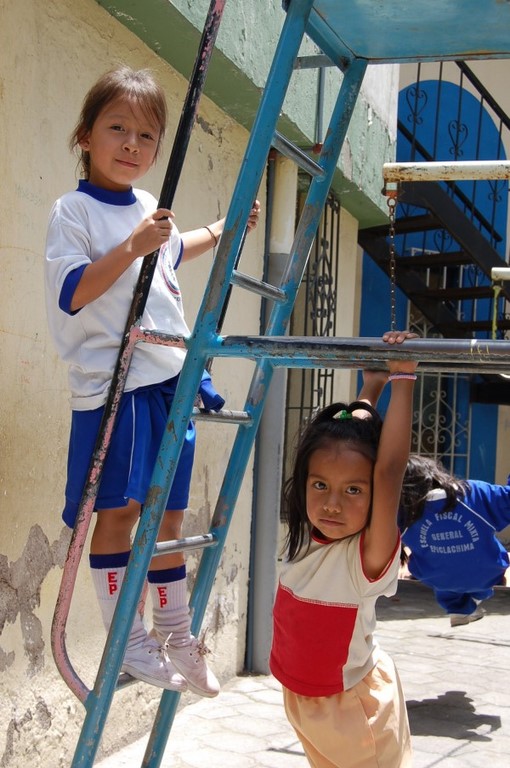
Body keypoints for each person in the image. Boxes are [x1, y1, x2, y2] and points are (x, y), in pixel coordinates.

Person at [44, 66, 260, 697]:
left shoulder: (146, 210)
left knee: (170, 511)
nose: (132, 145)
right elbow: (74, 292)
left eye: (146, 135)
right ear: (85, 136)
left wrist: (218, 232)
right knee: (118, 510)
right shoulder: (73, 210)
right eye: (117, 129)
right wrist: (134, 247)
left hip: (170, 374)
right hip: (119, 383)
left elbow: (170, 249)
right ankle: (127, 638)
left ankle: (173, 629)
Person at [269, 332, 418, 768]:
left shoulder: (366, 556)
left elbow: (387, 470)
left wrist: (404, 378)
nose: (333, 503)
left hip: (353, 710)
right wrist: (371, 388)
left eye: (354, 490)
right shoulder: (306, 535)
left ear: (375, 498)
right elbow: (356, 446)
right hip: (303, 701)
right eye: (321, 486)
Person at [399, 454, 510, 627]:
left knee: (445, 575)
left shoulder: (402, 512)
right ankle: (476, 597)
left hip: (435, 576)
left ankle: (458, 608)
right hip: (487, 571)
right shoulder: (474, 494)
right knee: (479, 575)